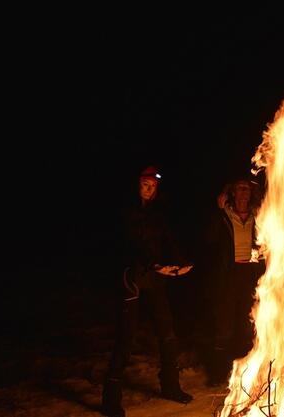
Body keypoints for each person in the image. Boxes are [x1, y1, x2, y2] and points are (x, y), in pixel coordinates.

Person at [101, 165, 194, 417]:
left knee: (168, 334)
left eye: (153, 185)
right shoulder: (123, 212)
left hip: (154, 279)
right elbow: (125, 245)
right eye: (145, 183)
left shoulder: (157, 215)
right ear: (136, 185)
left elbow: (169, 241)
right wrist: (153, 265)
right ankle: (110, 401)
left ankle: (171, 387)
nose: (150, 188)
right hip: (131, 278)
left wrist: (182, 262)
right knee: (126, 338)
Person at [204, 176, 264, 386]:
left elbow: (264, 244)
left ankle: (243, 377)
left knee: (247, 325)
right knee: (224, 326)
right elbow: (210, 240)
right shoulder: (224, 215)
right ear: (233, 193)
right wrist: (218, 211)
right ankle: (219, 374)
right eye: (239, 189)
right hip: (228, 274)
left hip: (250, 274)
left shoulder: (258, 216)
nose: (243, 193)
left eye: (246, 189)